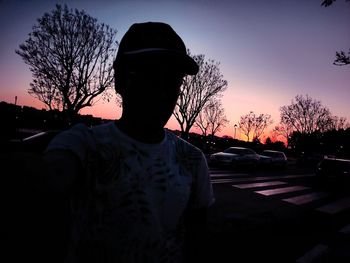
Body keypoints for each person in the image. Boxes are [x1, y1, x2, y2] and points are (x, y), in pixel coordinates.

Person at [42, 22, 215, 262]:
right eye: (151, 76)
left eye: (174, 81)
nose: (165, 92)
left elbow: (197, 241)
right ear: (120, 81)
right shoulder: (84, 145)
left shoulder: (193, 161)